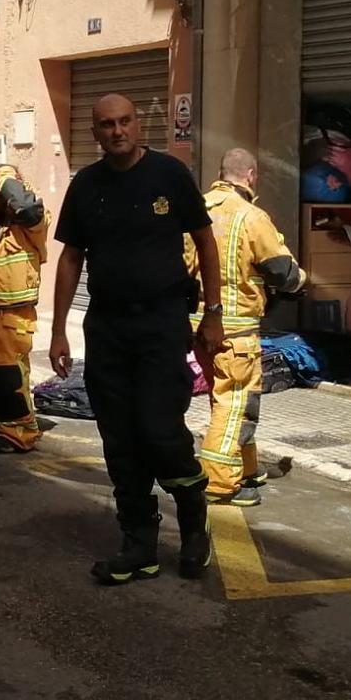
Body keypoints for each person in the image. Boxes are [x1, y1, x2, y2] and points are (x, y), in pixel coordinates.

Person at [49, 95, 224, 585]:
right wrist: (60, 329)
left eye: (124, 121)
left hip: (162, 326)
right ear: (95, 131)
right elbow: (70, 258)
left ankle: (193, 524)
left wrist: (213, 313)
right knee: (119, 440)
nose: (117, 131)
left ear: (137, 123)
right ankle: (139, 545)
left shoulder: (169, 174)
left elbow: (206, 241)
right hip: (106, 328)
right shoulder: (86, 186)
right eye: (106, 124)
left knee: (159, 432)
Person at [190, 148, 306, 507]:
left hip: (197, 328)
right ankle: (220, 482)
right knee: (236, 403)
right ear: (251, 176)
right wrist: (301, 280)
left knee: (223, 399)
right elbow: (282, 273)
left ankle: (248, 468)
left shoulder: (197, 208)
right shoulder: (251, 217)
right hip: (235, 333)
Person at [0, 163, 49, 452]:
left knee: (9, 373)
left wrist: (4, 175)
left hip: (14, 313)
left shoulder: (33, 221)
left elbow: (27, 208)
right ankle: (3, 424)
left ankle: (19, 432)